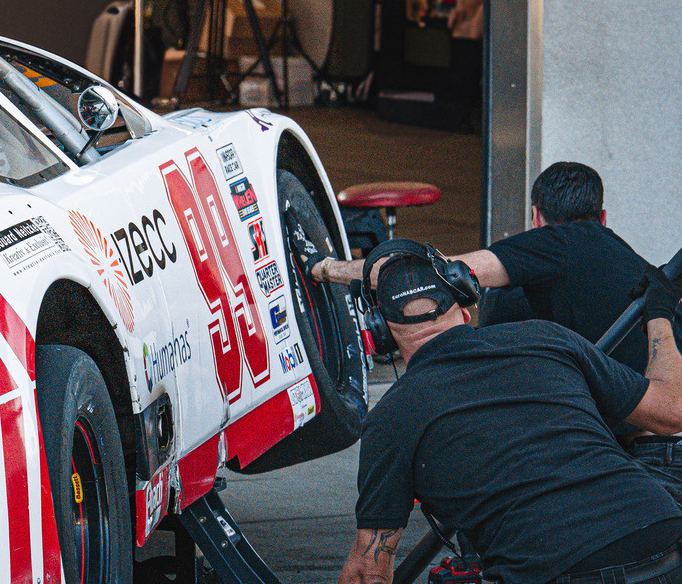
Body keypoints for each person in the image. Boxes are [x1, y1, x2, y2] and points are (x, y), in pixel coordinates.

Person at [240, 241, 682, 584]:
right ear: (468, 305)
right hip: (667, 557)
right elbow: (673, 413)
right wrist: (661, 316)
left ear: (385, 339)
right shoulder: (548, 340)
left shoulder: (395, 417)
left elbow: (369, 572)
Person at [288, 160, 682, 497]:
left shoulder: (558, 242)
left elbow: (434, 272)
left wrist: (326, 268)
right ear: (603, 218)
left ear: (536, 217)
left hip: (648, 459)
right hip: (654, 444)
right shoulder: (635, 267)